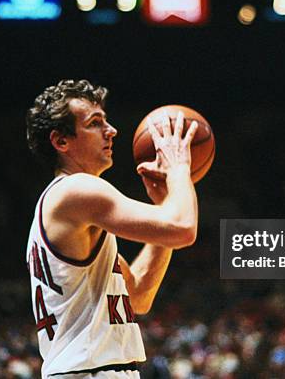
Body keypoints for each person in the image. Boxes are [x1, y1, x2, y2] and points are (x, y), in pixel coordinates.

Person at [24, 79, 199, 378]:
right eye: (94, 123)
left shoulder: (73, 209)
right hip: (91, 371)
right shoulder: (77, 190)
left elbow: (140, 294)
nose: (111, 130)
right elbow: (183, 228)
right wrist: (179, 167)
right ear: (61, 141)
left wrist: (166, 203)